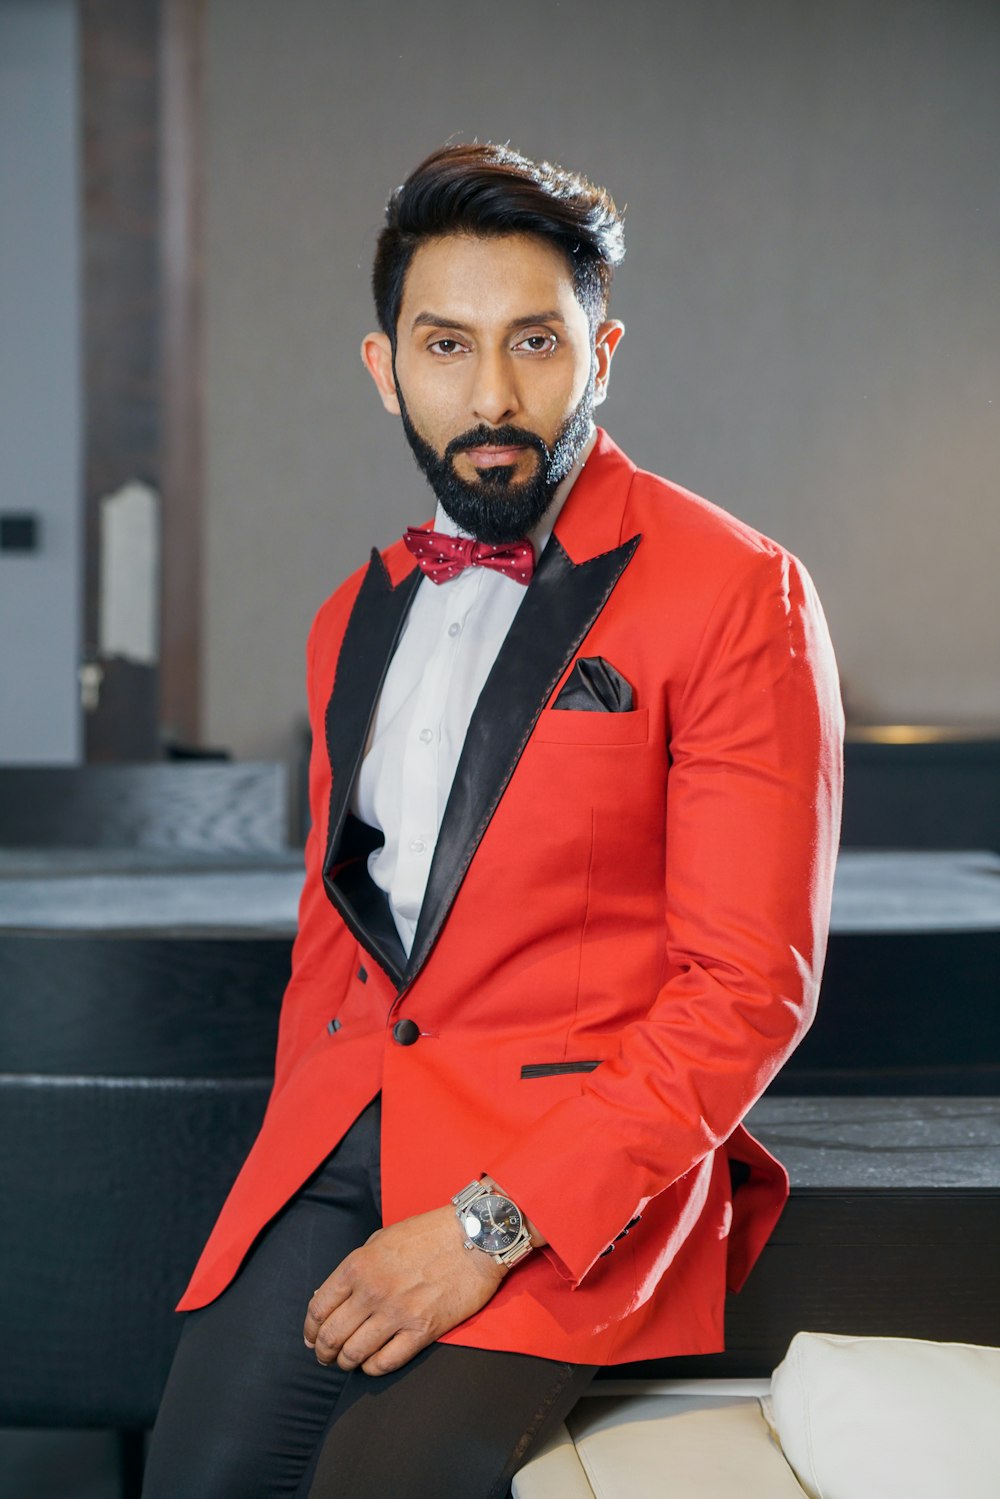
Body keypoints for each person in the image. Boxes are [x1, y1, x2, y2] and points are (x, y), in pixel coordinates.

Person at [142, 142, 843, 1499]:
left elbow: (748, 987)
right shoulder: (355, 617)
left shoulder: (738, 591)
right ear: (384, 367)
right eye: (447, 346)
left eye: (536, 342)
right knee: (193, 1476)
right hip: (348, 1141)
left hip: (574, 1179)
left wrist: (485, 1225)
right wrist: (304, 1164)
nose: (495, 395)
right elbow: (334, 943)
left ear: (605, 350)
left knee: (383, 1486)